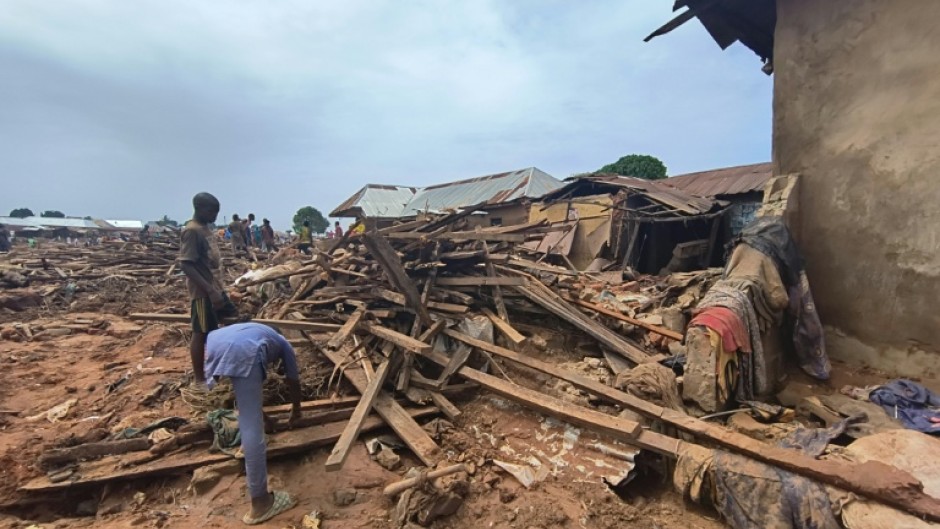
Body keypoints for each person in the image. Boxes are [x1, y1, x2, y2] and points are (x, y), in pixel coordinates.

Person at [205, 322, 301, 525]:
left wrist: (264, 416)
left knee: (248, 410)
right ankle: (261, 502)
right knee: (252, 427)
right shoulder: (283, 343)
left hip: (216, 342)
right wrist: (297, 409)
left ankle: (245, 447)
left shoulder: (256, 332)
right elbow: (293, 379)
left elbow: (243, 385)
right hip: (242, 349)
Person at [180, 193, 238, 388]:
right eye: (212, 212)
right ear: (200, 209)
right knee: (202, 332)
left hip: (216, 288)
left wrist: (219, 290)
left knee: (234, 320)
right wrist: (210, 291)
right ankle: (200, 379)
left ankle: (226, 368)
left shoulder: (205, 229)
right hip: (203, 294)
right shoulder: (192, 231)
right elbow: (187, 265)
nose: (215, 216)